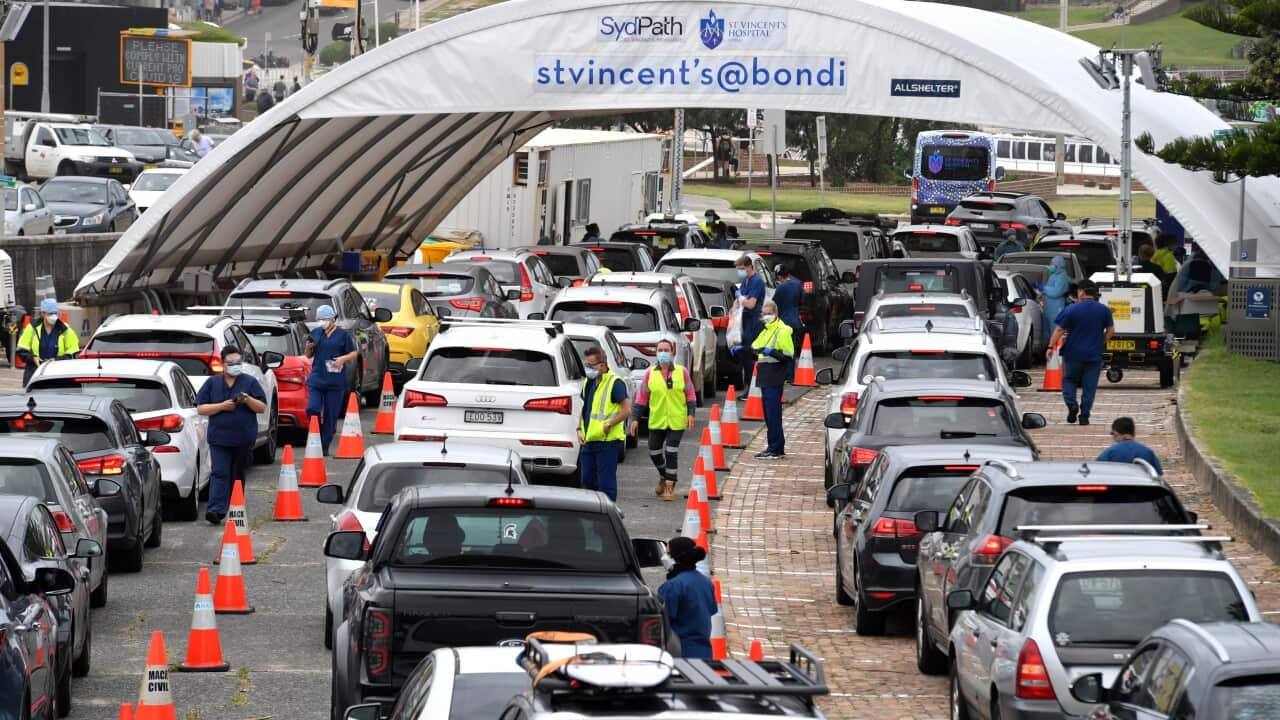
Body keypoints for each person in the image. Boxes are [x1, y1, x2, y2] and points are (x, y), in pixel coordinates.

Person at [195, 346, 267, 525]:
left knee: (237, 474)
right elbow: (201, 408)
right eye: (231, 363)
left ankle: (235, 507)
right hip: (219, 438)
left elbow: (262, 407)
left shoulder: (249, 382)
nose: (235, 365)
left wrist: (247, 399)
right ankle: (216, 510)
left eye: (238, 362)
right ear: (223, 363)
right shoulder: (212, 383)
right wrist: (221, 406)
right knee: (219, 472)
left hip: (243, 438)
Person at [629, 339, 696, 502]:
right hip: (657, 419)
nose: (663, 353)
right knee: (654, 451)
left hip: (676, 420)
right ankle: (663, 475)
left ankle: (670, 485)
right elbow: (641, 398)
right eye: (660, 350)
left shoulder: (682, 372)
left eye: (666, 350)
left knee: (671, 451)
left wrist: (691, 414)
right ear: (656, 352)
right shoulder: (650, 373)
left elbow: (690, 394)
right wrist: (635, 419)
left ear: (673, 352)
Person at [1047, 280, 1113, 425]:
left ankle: (1072, 404)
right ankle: (1084, 416)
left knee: (1069, 380)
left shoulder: (1071, 309)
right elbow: (1110, 330)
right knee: (1090, 386)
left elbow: (1059, 329)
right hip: (1094, 354)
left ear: (1081, 292)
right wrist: (1101, 342)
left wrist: (1050, 347)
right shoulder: (1104, 310)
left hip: (1073, 353)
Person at [577, 347, 630, 502]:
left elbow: (626, 410)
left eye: (590, 365)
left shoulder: (615, 383)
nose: (588, 368)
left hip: (607, 442)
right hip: (589, 440)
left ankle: (608, 512)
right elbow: (585, 408)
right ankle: (593, 511)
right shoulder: (589, 382)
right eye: (586, 365)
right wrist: (579, 428)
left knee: (606, 485)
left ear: (602, 365)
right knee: (587, 480)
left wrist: (609, 425)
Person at [304, 305, 357, 454]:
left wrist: (342, 359)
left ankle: (324, 444)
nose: (322, 321)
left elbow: (353, 353)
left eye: (325, 319)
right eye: (319, 319)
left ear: (332, 319)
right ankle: (316, 433)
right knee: (312, 408)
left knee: (331, 415)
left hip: (335, 381)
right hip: (317, 378)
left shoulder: (342, 335)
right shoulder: (316, 333)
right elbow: (308, 355)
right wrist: (308, 347)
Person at [657, 536, 717, 659]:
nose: (664, 557)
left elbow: (662, 620)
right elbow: (711, 610)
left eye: (668, 553)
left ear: (676, 557)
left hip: (679, 653)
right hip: (704, 653)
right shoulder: (706, 582)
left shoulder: (672, 586)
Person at [749, 301, 794, 459]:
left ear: (776, 313)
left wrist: (772, 352)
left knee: (773, 415)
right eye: (764, 313)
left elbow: (788, 355)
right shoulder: (766, 330)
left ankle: (775, 448)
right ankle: (773, 446)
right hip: (765, 376)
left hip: (774, 376)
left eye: (769, 313)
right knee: (769, 415)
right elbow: (755, 346)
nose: (766, 316)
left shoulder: (782, 330)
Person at [17, 298, 80, 385]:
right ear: (43, 314)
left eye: (55, 313)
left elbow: (74, 353)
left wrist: (57, 360)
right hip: (35, 374)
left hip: (58, 375)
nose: (53, 316)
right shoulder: (32, 328)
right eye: (50, 314)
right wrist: (33, 358)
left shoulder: (65, 329)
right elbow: (21, 350)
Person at [731, 255, 766, 391]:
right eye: (738, 269)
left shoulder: (757, 281)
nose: (740, 272)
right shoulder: (746, 281)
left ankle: (753, 388)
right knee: (745, 356)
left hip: (753, 322)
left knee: (750, 355)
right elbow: (738, 302)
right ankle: (748, 387)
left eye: (742, 269)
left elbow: (751, 304)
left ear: (749, 267)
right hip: (745, 321)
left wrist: (740, 298)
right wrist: (734, 309)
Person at [1097, 416, 1163, 475]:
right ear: (1133, 433)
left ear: (1116, 433)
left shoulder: (1110, 452)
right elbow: (1157, 473)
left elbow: (1097, 470)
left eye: (1112, 434)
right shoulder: (1147, 451)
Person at [1035, 255, 1071, 347]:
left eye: (1052, 263)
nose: (1050, 265)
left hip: (1056, 308)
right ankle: (1048, 349)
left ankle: (1055, 350)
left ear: (1058, 265)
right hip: (1049, 308)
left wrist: (1044, 288)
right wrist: (1041, 291)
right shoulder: (1054, 275)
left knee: (1055, 332)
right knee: (1048, 332)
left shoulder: (1062, 277)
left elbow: (1056, 292)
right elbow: (1050, 289)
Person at [770, 264, 803, 333]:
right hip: (796, 323)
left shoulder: (780, 288)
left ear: (779, 276)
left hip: (784, 324)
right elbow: (801, 301)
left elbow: (774, 304)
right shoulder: (797, 284)